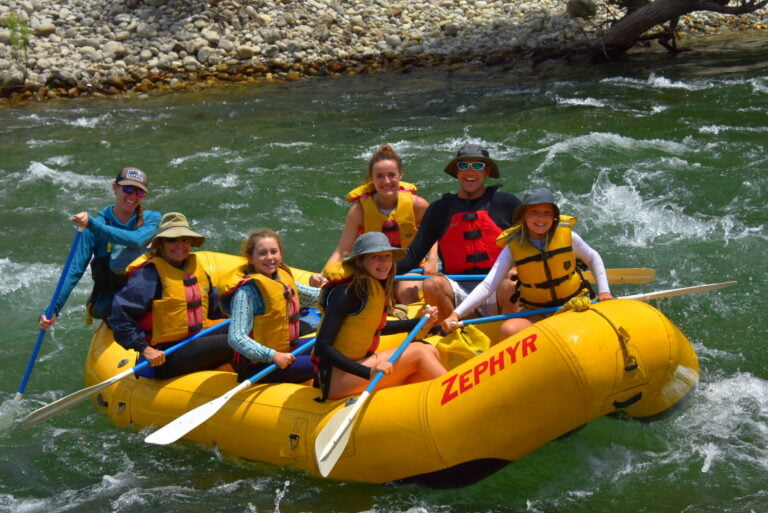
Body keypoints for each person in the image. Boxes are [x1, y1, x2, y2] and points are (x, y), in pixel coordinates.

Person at [443, 188, 614, 341]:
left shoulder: (567, 235)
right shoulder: (513, 246)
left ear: (554, 216)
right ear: (524, 216)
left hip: (574, 304)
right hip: (537, 312)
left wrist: (604, 291)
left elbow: (593, 258)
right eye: (534, 212)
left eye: (546, 212)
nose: (541, 218)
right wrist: (456, 314)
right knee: (508, 330)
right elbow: (488, 285)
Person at [395, 143, 522, 322]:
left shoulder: (507, 203)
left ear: (487, 172)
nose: (470, 172)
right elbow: (412, 257)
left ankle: (505, 331)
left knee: (516, 282)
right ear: (456, 171)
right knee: (432, 284)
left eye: (478, 166)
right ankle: (456, 335)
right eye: (464, 166)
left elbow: (532, 241)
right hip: (459, 288)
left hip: (499, 285)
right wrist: (372, 268)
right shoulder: (439, 210)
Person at [313, 232, 446, 401]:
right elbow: (322, 347)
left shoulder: (373, 285)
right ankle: (457, 397)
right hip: (335, 379)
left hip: (359, 364)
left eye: (387, 256)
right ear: (360, 262)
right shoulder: (347, 293)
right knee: (419, 352)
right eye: (375, 257)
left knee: (429, 349)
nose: (384, 262)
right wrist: (368, 372)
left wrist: (419, 323)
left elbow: (375, 327)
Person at [108, 212, 233, 380]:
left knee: (243, 329)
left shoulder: (194, 268)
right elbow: (119, 316)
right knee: (231, 342)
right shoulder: (148, 275)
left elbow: (215, 308)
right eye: (172, 239)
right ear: (160, 244)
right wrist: (145, 349)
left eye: (185, 239)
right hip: (164, 356)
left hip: (192, 341)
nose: (180, 245)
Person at [39, 167, 161, 329]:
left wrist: (92, 224)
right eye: (128, 189)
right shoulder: (94, 228)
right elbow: (74, 271)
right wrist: (53, 309)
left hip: (147, 296)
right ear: (115, 187)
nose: (133, 196)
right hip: (113, 301)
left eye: (139, 192)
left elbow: (137, 240)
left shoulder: (151, 218)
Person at [319, 144, 438, 304]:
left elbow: (433, 234)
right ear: (371, 179)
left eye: (391, 175)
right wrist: (323, 277)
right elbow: (342, 251)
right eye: (380, 176)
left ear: (400, 175)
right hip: (375, 269)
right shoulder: (359, 211)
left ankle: (417, 323)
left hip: (411, 268)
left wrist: (432, 260)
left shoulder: (418, 205)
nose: (386, 181)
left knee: (405, 293)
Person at [219, 229, 319, 384]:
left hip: (288, 349)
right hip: (259, 366)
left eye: (274, 252)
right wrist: (273, 356)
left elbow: (314, 295)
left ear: (281, 254)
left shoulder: (281, 278)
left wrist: (345, 289)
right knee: (326, 362)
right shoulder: (247, 292)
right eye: (262, 253)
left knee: (332, 348)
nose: (270, 258)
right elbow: (236, 337)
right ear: (251, 258)